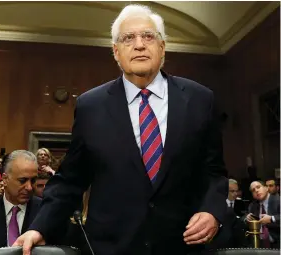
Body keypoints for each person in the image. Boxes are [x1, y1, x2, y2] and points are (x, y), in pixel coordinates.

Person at [14, 4, 228, 255]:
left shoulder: (200, 99)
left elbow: (213, 172)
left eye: (148, 36)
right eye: (128, 38)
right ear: (116, 52)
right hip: (112, 248)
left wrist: (213, 211)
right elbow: (71, 179)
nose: (139, 44)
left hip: (183, 246)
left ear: (162, 47)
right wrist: (40, 228)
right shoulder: (90, 106)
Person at [245, 181, 280, 248]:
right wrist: (247, 218)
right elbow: (244, 218)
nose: (256, 190)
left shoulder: (278, 201)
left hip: (277, 244)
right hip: (258, 244)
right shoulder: (252, 206)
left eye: (258, 187)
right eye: (253, 190)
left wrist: (272, 219)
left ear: (266, 188)